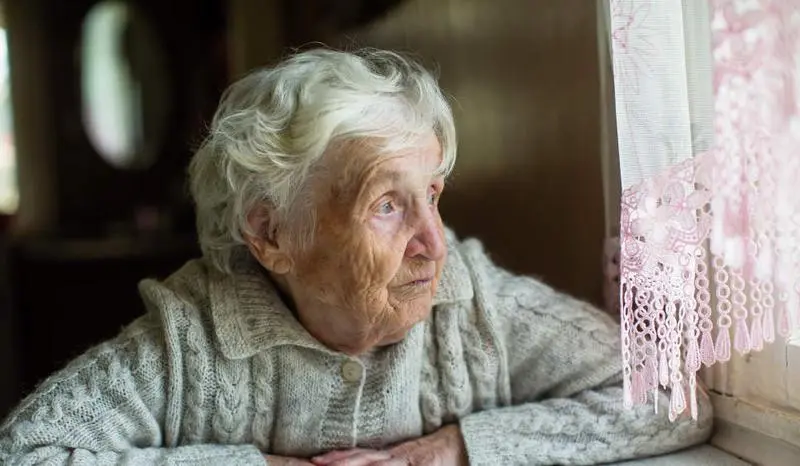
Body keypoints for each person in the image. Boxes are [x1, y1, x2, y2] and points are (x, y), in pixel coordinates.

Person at [0, 48, 712, 465]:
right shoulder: (196, 337)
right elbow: (29, 453)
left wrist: (448, 451)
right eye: (386, 205)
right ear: (272, 235)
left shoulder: (471, 303)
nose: (433, 242)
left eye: (431, 195)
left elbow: (672, 397)